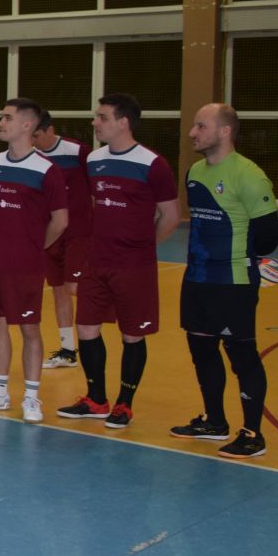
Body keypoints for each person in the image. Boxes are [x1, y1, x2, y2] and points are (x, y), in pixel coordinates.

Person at [57, 93, 180, 429]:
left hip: (134, 265)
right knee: (86, 328)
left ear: (123, 122)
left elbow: (171, 216)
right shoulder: (95, 160)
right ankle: (96, 399)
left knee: (132, 334)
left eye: (102, 117)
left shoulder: (153, 164)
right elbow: (99, 205)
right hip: (97, 261)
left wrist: (142, 246)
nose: (95, 122)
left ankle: (125, 404)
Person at [171, 103, 278, 459]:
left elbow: (270, 234)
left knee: (242, 357)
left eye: (201, 126)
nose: (193, 133)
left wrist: (247, 259)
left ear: (225, 131)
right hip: (197, 279)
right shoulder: (194, 172)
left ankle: (252, 434)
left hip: (233, 282)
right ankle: (214, 421)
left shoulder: (249, 175)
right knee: (201, 349)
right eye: (194, 126)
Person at [0, 99, 68, 423]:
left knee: (29, 328)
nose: (0, 123)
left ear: (26, 125)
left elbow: (60, 220)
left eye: (7, 118)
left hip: (25, 264)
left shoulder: (47, 170)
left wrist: (34, 248)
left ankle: (32, 398)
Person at [33, 111, 94, 369]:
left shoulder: (78, 151)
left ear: (50, 130)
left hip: (79, 232)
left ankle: (91, 343)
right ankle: (68, 351)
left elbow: (96, 186)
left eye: (37, 135)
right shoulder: (32, 155)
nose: (33, 140)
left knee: (75, 287)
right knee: (58, 289)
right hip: (50, 233)